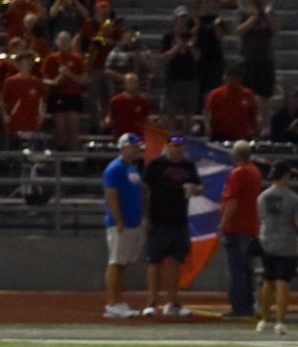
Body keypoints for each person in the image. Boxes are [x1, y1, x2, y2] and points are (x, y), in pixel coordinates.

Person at [143, 135, 201, 317]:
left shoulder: (188, 166)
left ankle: (172, 301)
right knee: (155, 261)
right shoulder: (155, 165)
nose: (177, 149)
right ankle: (152, 301)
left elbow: (199, 187)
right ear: (168, 146)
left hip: (179, 219)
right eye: (174, 146)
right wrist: (146, 216)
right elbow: (145, 191)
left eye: (180, 146)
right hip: (159, 219)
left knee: (176, 261)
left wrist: (194, 190)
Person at [255, 162, 298, 334]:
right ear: (286, 176)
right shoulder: (294, 199)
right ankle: (280, 321)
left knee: (267, 281)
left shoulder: (262, 197)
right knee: (283, 282)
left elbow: (262, 219)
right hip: (287, 243)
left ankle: (263, 320)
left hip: (267, 242)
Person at [101, 132, 146, 318]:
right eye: (134, 146)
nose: (137, 149)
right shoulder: (115, 169)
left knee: (122, 264)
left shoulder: (132, 168)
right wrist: (119, 220)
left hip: (132, 223)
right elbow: (111, 196)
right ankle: (113, 302)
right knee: (116, 262)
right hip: (121, 224)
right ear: (124, 147)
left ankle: (118, 301)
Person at [219, 140, 262, 319]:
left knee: (236, 269)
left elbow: (233, 201)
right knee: (247, 269)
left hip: (237, 227)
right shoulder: (255, 172)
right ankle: (248, 305)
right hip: (251, 225)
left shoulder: (238, 173)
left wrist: (222, 224)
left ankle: (239, 306)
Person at [204, 66, 260, 142]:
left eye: (237, 78)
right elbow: (208, 114)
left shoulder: (248, 94)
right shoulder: (216, 94)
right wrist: (208, 127)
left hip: (243, 136)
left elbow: (253, 115)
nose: (235, 81)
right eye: (233, 78)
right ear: (226, 78)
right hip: (220, 135)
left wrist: (256, 131)